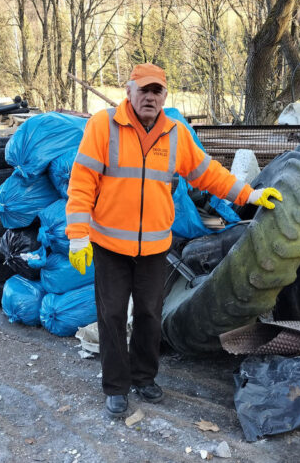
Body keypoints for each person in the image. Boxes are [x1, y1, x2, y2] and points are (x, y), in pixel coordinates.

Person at [65, 63, 282, 417]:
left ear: (165, 96)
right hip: (110, 246)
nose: (150, 97)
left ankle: (144, 377)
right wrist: (77, 236)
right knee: (113, 315)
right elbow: (82, 183)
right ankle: (116, 387)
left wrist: (249, 195)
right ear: (129, 91)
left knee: (151, 315)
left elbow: (207, 173)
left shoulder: (175, 133)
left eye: (157, 91)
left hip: (154, 247)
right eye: (143, 90)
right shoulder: (103, 127)